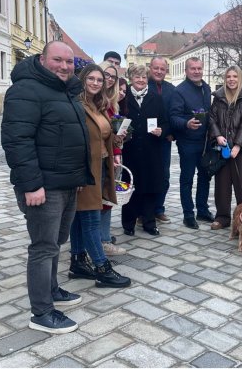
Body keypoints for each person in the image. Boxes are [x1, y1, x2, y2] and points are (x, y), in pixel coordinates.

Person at [2, 41, 92, 333]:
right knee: (43, 247)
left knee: (57, 241)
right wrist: (31, 186)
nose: (64, 66)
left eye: (69, 62)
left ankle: (52, 289)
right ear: (42, 60)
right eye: (58, 60)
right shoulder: (25, 90)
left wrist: (77, 178)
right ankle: (41, 313)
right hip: (43, 187)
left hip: (66, 183)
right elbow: (18, 141)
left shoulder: (65, 91)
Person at [67, 64, 131, 289]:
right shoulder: (76, 105)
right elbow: (72, 141)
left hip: (100, 167)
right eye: (91, 79)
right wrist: (76, 174)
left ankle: (77, 262)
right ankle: (102, 269)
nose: (96, 83)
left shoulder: (99, 105)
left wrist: (117, 137)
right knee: (91, 220)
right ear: (83, 80)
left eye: (99, 80)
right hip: (85, 170)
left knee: (79, 218)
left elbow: (102, 137)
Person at [119, 64, 170, 236]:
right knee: (130, 186)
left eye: (143, 77)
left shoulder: (156, 98)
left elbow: (166, 122)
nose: (140, 80)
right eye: (137, 77)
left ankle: (149, 222)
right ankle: (128, 223)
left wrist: (162, 131)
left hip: (151, 150)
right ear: (131, 79)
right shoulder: (123, 98)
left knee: (150, 188)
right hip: (130, 150)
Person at [208, 65, 242, 230]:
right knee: (222, 185)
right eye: (228, 76)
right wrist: (217, 135)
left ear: (240, 78)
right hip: (222, 149)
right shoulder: (218, 96)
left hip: (241, 151)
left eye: (235, 76)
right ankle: (222, 217)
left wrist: (238, 145)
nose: (231, 79)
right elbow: (212, 118)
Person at [170, 57, 213, 229]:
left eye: (199, 68)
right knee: (187, 179)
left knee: (205, 176)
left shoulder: (206, 88)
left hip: (205, 142)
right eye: (193, 68)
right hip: (187, 142)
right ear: (186, 71)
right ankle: (188, 214)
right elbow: (173, 117)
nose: (196, 71)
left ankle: (202, 210)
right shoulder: (179, 91)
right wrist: (186, 123)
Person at [98, 63, 126, 256]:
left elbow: (112, 134)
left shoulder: (111, 103)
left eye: (113, 77)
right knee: (100, 200)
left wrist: (117, 148)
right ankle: (100, 240)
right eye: (105, 75)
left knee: (107, 198)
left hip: (109, 156)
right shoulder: (94, 101)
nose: (109, 79)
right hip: (97, 157)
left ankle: (103, 237)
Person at [148, 57, 177, 224]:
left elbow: (174, 113)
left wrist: (171, 132)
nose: (159, 71)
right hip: (145, 140)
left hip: (164, 139)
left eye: (162, 69)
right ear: (150, 68)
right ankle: (143, 211)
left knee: (164, 176)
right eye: (156, 68)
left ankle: (159, 209)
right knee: (146, 175)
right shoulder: (143, 85)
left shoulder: (171, 89)